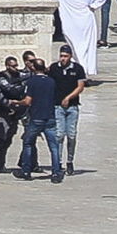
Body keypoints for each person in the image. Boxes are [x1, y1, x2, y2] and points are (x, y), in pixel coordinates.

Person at [43, 0, 108, 78]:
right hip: (86, 20)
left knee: (74, 46)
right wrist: (93, 6)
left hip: (69, 21)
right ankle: (83, 71)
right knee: (86, 47)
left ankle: (80, 72)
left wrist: (58, 3)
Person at [13, 56, 63, 182]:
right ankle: (56, 172)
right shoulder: (51, 81)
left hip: (36, 117)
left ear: (34, 68)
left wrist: (17, 102)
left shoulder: (32, 81)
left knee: (28, 143)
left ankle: (26, 170)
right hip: (50, 117)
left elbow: (28, 101)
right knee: (54, 146)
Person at [49, 45, 87, 176]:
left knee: (71, 135)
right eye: (61, 56)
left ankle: (70, 161)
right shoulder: (54, 68)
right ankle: (58, 162)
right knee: (59, 135)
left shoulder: (77, 69)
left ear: (70, 56)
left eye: (65, 56)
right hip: (57, 107)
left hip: (72, 106)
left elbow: (80, 87)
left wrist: (69, 97)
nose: (63, 59)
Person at [0, 56, 27, 174]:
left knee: (8, 139)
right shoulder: (1, 77)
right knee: (1, 138)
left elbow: (27, 77)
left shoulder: (18, 75)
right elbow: (10, 90)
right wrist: (21, 87)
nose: (16, 68)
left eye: (17, 65)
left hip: (15, 111)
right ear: (7, 66)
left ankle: (0, 165)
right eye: (13, 66)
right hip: (4, 110)